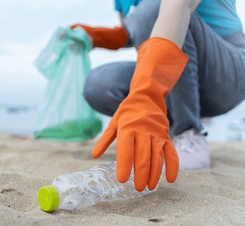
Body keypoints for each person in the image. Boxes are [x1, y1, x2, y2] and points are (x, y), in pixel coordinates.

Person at [71, 0, 245, 191]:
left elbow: (178, 5)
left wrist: (146, 93)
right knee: (100, 84)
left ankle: (188, 132)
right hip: (181, 79)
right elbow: (133, 32)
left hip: (227, 73)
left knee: (154, 7)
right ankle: (167, 129)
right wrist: (98, 36)